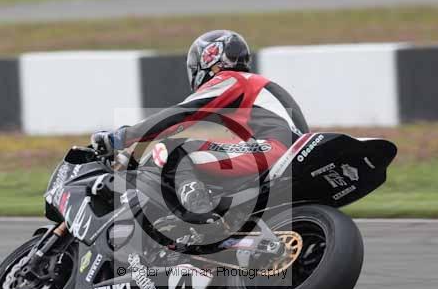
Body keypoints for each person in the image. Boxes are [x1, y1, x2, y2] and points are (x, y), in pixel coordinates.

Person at [92, 29, 309, 221]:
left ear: (208, 60)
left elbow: (180, 116)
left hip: (274, 150)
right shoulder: (250, 89)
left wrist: (121, 137)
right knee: (197, 147)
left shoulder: (232, 79)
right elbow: (198, 131)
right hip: (286, 152)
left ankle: (198, 210)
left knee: (173, 149)